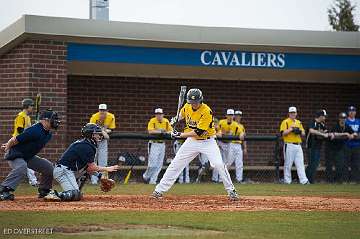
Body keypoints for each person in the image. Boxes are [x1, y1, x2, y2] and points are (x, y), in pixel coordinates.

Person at [152, 88, 239, 200]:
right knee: (176, 164)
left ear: (200, 100)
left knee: (218, 164)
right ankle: (159, 190)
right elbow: (180, 115)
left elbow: (198, 132)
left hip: (208, 141)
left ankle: (231, 190)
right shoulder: (187, 106)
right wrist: (174, 120)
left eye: (196, 102)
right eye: (192, 102)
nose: (194, 104)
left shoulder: (206, 111)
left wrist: (179, 134)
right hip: (192, 142)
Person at [44, 123, 120, 201]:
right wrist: (107, 168)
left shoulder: (87, 144)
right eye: (96, 134)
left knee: (79, 189)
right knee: (76, 194)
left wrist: (100, 176)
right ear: (90, 134)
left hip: (69, 170)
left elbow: (88, 169)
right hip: (63, 170)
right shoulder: (86, 146)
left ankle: (75, 192)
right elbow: (92, 167)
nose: (99, 135)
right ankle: (55, 194)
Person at [0, 109, 60, 201]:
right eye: (53, 119)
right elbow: (14, 140)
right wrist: (7, 147)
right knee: (21, 167)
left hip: (28, 156)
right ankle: (4, 190)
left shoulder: (48, 134)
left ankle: (44, 190)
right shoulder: (34, 130)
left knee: (48, 167)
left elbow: (26, 142)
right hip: (15, 154)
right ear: (44, 120)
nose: (56, 121)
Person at [279, 106, 309, 185]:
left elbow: (303, 133)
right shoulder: (285, 122)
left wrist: (298, 131)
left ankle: (304, 181)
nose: (293, 114)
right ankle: (287, 181)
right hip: (289, 145)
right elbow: (283, 133)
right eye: (291, 113)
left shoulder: (299, 122)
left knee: (300, 163)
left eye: (294, 112)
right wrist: (291, 129)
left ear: (296, 113)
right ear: (289, 113)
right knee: (288, 164)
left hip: (298, 145)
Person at [12, 98, 38, 186]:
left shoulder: (27, 117)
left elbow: (29, 130)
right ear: (27, 106)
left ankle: (33, 181)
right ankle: (33, 181)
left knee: (28, 160)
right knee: (22, 163)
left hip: (24, 142)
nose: (32, 108)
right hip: (18, 142)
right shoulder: (21, 116)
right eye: (31, 106)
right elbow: (20, 130)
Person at [143, 108, 172, 184]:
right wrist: (161, 131)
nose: (159, 115)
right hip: (154, 143)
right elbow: (150, 131)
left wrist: (165, 132)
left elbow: (171, 131)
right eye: (157, 114)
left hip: (162, 144)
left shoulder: (166, 121)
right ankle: (146, 176)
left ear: (163, 114)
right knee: (152, 164)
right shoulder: (153, 120)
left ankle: (153, 181)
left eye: (160, 114)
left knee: (159, 164)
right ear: (155, 115)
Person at [326, 112, 356, 183]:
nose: (343, 119)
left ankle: (338, 180)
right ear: (339, 119)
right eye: (341, 118)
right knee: (329, 165)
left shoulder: (347, 126)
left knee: (340, 165)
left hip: (339, 149)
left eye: (344, 118)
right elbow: (334, 134)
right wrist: (345, 134)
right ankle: (330, 181)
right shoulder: (335, 126)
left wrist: (352, 135)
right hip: (331, 148)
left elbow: (353, 133)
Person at [89, 103, 116, 184]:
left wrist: (103, 131)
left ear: (107, 111)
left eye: (104, 110)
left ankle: (103, 179)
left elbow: (111, 129)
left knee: (103, 161)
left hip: (103, 140)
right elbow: (91, 130)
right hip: (94, 140)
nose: (102, 112)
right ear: (99, 110)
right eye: (101, 110)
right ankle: (94, 180)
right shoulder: (94, 117)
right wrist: (103, 131)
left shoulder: (111, 116)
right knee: (93, 160)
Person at [305, 109, 329, 184]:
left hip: (318, 147)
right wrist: (322, 133)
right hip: (311, 147)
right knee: (311, 164)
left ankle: (310, 180)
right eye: (324, 116)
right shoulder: (312, 122)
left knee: (315, 164)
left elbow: (326, 132)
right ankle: (307, 180)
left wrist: (323, 133)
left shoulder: (322, 124)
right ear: (321, 116)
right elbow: (311, 131)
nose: (325, 118)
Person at [212, 109, 234, 182]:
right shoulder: (221, 122)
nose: (230, 117)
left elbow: (230, 134)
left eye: (231, 115)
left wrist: (223, 133)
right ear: (226, 115)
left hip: (228, 144)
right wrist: (219, 133)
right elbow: (216, 130)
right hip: (220, 142)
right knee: (217, 161)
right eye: (229, 115)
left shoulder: (235, 124)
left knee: (226, 162)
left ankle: (222, 179)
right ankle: (215, 179)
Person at [228, 111, 246, 183]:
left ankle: (239, 179)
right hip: (231, 144)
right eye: (237, 115)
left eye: (240, 116)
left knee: (239, 163)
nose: (238, 117)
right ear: (234, 116)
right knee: (228, 162)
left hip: (239, 145)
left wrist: (245, 148)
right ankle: (222, 178)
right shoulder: (231, 124)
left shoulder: (241, 126)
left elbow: (244, 137)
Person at [345, 106, 360, 183]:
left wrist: (355, 135)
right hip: (347, 145)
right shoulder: (345, 121)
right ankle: (346, 180)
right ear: (348, 112)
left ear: (355, 112)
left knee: (356, 164)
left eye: (353, 111)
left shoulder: (358, 121)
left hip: (357, 145)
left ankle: (356, 180)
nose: (351, 112)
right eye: (350, 111)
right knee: (346, 163)